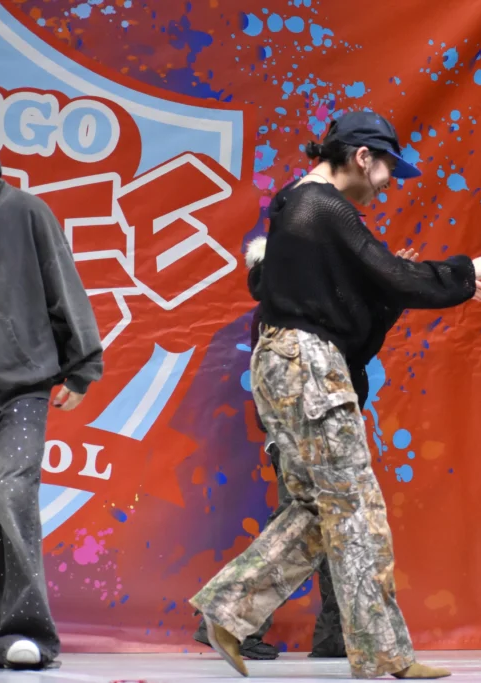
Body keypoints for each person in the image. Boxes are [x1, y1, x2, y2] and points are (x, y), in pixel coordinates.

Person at [189, 110, 481, 680]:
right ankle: (385, 654)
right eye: (388, 167)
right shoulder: (324, 207)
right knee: (356, 509)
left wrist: (409, 282)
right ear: (362, 157)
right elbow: (389, 274)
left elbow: (365, 287)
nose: (389, 183)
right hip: (308, 366)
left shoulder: (295, 206)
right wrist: (465, 272)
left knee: (319, 509)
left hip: (284, 364)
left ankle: (228, 609)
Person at [192, 235, 347, 661]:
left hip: (313, 433)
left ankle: (337, 633)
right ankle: (229, 618)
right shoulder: (289, 315)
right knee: (301, 527)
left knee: (330, 526)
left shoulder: (288, 311)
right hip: (307, 435)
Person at [0, 114, 104, 669]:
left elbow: (63, 285)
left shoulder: (25, 211)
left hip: (22, 388)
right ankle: (5, 634)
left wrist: (82, 367)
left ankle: (26, 632)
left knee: (11, 493)